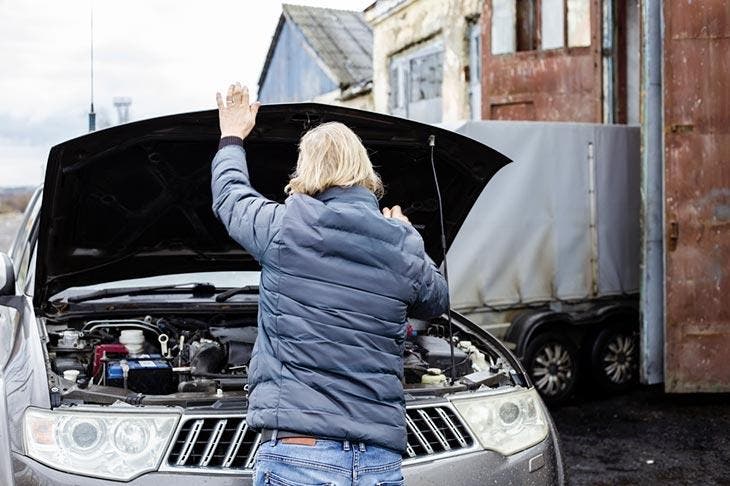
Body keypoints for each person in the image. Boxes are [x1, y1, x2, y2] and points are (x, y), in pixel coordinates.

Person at [211, 83, 449, 486]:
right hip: (378, 460)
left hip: (299, 455)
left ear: (307, 170)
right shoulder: (401, 243)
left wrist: (232, 136)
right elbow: (436, 300)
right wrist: (410, 236)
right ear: (363, 168)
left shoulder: (284, 226)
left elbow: (231, 197)